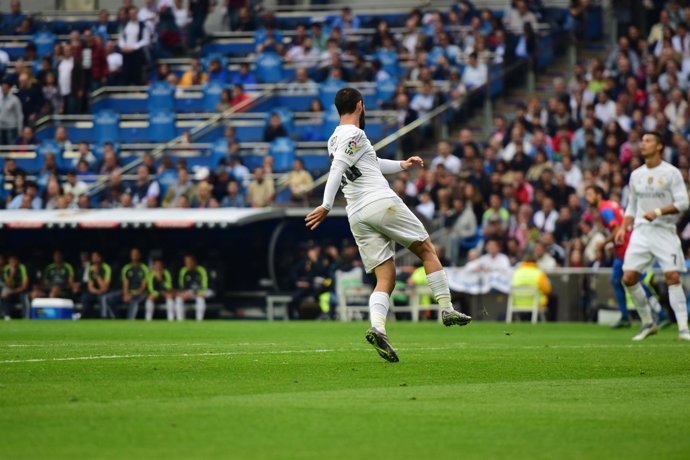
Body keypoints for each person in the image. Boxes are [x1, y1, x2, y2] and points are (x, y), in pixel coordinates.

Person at [305, 87, 471, 363]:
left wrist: (403, 165)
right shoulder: (355, 134)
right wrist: (325, 205)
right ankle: (446, 308)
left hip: (357, 214)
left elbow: (371, 163)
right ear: (360, 105)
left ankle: (378, 328)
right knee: (427, 249)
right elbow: (336, 171)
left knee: (386, 277)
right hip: (380, 202)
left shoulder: (335, 139)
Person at [615, 132, 690, 342]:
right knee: (628, 278)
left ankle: (683, 328)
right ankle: (648, 323)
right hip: (641, 231)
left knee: (672, 277)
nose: (643, 144)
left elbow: (683, 203)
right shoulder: (636, 175)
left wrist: (657, 212)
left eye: (648, 141)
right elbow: (632, 205)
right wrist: (623, 228)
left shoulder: (671, 173)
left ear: (659, 147)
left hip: (664, 230)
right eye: (643, 141)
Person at [585, 185, 669, 329]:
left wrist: (603, 243)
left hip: (626, 248)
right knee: (617, 281)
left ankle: (660, 314)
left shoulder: (604, 210)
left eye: (590, 194)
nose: (587, 197)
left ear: (598, 195)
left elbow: (617, 229)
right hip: (625, 247)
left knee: (637, 281)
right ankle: (627, 316)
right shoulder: (611, 205)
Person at [511, 253, 552, 319]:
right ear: (536, 262)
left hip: (517, 302)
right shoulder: (539, 273)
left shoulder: (516, 272)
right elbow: (547, 290)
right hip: (536, 303)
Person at [175, 254, 212, 321]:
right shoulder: (183, 271)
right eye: (186, 262)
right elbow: (182, 286)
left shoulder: (202, 270)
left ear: (194, 261)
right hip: (191, 292)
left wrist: (195, 293)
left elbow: (205, 286)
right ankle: (180, 321)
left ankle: (199, 321)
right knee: (179, 298)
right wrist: (183, 293)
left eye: (189, 261)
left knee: (200, 298)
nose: (187, 263)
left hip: (206, 291)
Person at [81, 251, 113, 318]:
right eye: (93, 257)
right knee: (85, 298)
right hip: (95, 292)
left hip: (105, 293)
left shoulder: (106, 268)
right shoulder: (91, 268)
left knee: (102, 298)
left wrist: (97, 274)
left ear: (100, 258)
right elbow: (90, 287)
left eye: (96, 256)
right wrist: (97, 291)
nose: (94, 258)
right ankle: (86, 318)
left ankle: (104, 317)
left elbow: (105, 287)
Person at [1, 254, 29, 319]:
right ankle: (6, 316)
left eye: (14, 260)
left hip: (21, 290)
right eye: (10, 260)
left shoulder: (22, 267)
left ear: (18, 261)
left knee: (24, 296)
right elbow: (6, 285)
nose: (12, 262)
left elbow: (25, 286)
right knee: (4, 294)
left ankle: (25, 317)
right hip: (11, 290)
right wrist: (12, 274)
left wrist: (12, 292)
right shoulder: (7, 268)